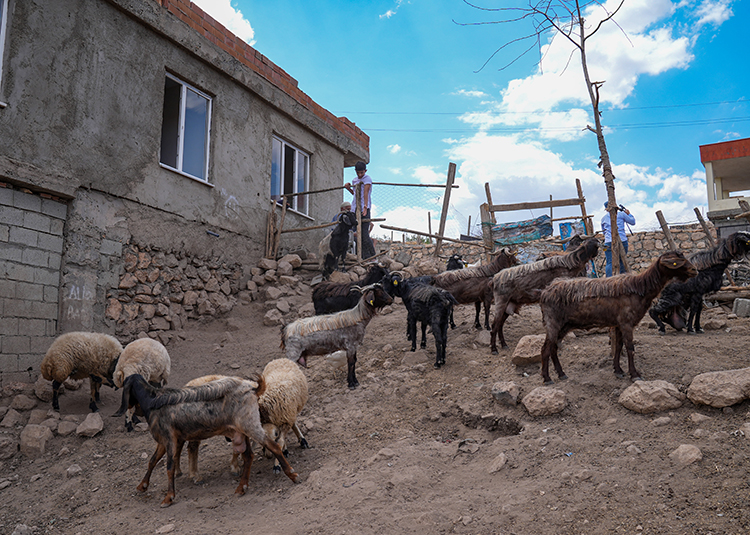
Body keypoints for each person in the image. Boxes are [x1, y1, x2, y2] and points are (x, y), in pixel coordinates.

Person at [344, 161, 376, 259]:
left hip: (364, 207)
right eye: (358, 173)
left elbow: (365, 193)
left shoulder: (367, 179)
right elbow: (356, 194)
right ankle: (364, 257)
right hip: (355, 208)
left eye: (362, 172)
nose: (360, 175)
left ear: (365, 171)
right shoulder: (354, 180)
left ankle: (373, 256)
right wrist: (348, 188)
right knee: (358, 234)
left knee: (364, 234)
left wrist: (365, 207)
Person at [601, 201, 636, 277]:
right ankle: (622, 279)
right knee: (622, 261)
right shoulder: (621, 214)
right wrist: (629, 214)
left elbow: (604, 231)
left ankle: (609, 280)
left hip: (608, 241)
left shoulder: (603, 219)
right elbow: (632, 222)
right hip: (622, 240)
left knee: (609, 262)